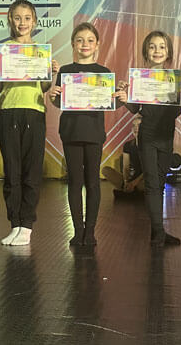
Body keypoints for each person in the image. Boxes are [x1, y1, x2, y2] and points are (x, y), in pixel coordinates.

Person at [49, 22, 126, 246]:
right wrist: (53, 96)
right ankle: (77, 230)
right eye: (80, 40)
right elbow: (58, 102)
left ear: (97, 44)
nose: (85, 44)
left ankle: (90, 231)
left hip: (94, 132)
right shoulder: (65, 71)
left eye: (90, 40)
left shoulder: (104, 73)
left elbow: (110, 103)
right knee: (75, 182)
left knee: (93, 182)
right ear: (73, 44)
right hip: (71, 132)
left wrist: (121, 99)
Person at [0, 0, 57, 246]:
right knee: (12, 171)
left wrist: (50, 73)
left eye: (27, 18)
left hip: (34, 111)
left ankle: (27, 225)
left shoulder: (41, 51)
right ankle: (15, 223)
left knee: (31, 171)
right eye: (17, 18)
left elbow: (44, 87)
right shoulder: (3, 51)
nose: (22, 23)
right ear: (10, 20)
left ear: (35, 21)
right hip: (9, 111)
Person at [124, 31, 181, 246]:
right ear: (146, 51)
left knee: (160, 183)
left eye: (162, 47)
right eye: (152, 46)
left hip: (166, 134)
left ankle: (158, 231)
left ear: (168, 52)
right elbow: (134, 108)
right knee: (151, 183)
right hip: (147, 134)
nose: (157, 51)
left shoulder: (173, 78)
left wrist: (180, 97)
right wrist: (125, 97)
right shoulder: (139, 78)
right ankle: (158, 232)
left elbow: (176, 111)